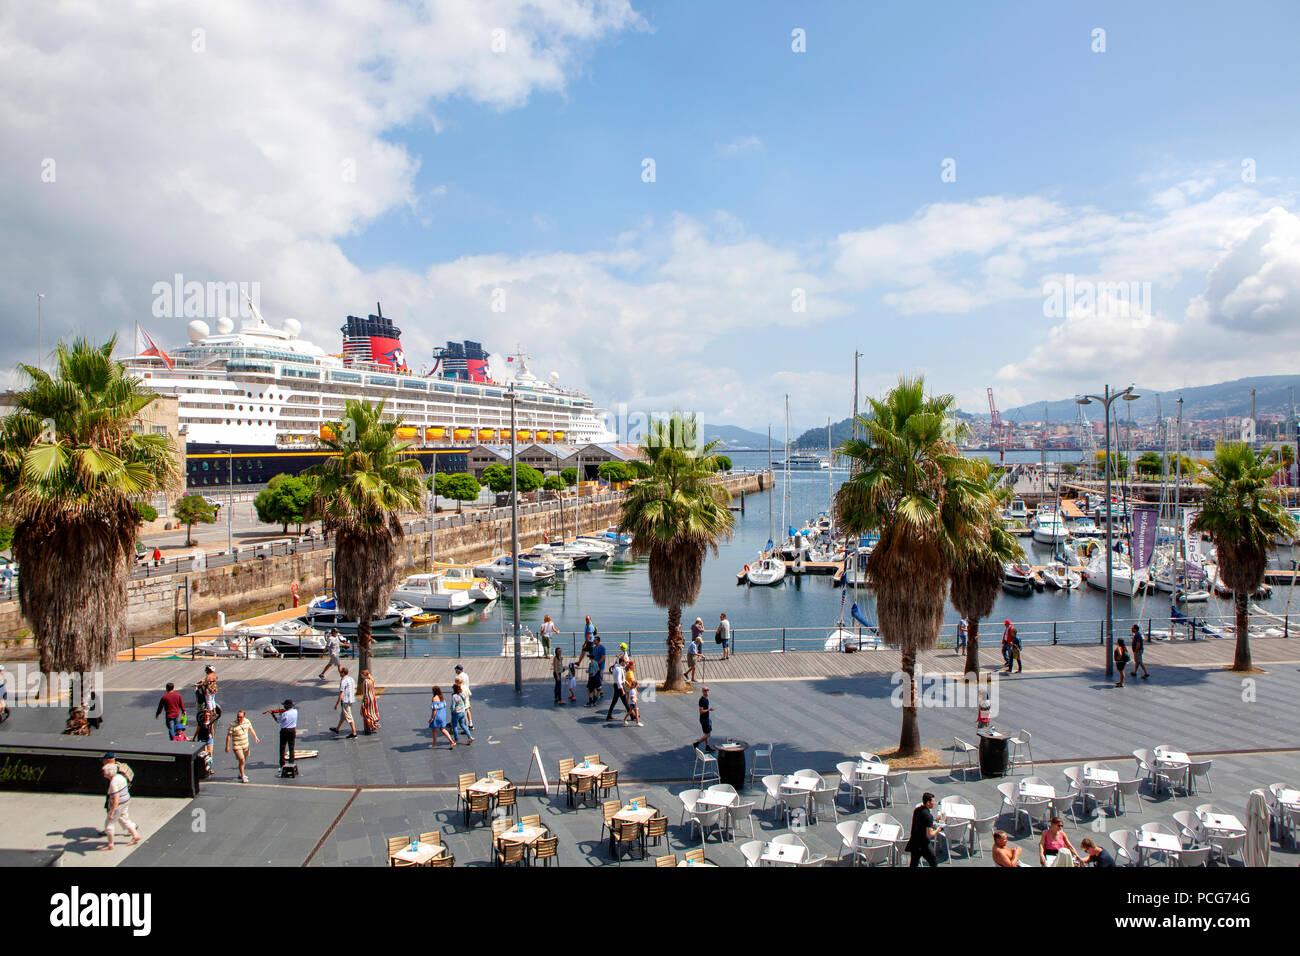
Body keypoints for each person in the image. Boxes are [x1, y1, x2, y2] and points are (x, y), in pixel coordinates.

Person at [99, 760, 140, 850]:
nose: (103, 773)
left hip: (119, 804)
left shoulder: (113, 783)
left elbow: (116, 798)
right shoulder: (120, 777)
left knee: (109, 824)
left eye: (104, 772)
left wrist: (112, 811)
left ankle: (110, 844)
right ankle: (135, 835)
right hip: (126, 801)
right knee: (124, 819)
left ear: (108, 773)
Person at [906, 792, 941, 866]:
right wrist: (938, 829)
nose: (934, 803)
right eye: (933, 801)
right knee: (933, 862)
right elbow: (929, 835)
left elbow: (922, 822)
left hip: (915, 842)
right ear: (928, 803)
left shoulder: (917, 810)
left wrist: (933, 820)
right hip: (924, 844)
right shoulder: (928, 816)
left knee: (914, 863)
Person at [225, 709, 259, 782]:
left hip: (245, 745)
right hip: (237, 746)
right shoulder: (232, 724)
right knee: (242, 760)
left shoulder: (247, 721)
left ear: (244, 717)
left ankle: (241, 772)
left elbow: (251, 729)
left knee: (243, 760)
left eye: (240, 717)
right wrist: (227, 746)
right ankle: (243, 776)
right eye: (238, 717)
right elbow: (228, 736)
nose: (239, 718)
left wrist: (255, 737)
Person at [331, 665, 357, 738]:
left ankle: (354, 733)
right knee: (343, 716)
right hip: (351, 699)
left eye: (340, 672)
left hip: (345, 701)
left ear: (343, 673)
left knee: (348, 716)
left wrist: (337, 703)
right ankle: (337, 729)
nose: (339, 673)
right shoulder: (351, 679)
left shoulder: (343, 680)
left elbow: (341, 693)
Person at [272, 699, 298, 767]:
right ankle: (291, 762)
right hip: (292, 730)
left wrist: (273, 715)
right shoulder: (295, 711)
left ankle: (282, 763)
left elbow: (278, 721)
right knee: (291, 747)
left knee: (282, 747)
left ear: (287, 706)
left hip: (285, 731)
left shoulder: (285, 713)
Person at [605, 654, 629, 722]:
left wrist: (627, 683)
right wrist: (622, 690)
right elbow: (619, 681)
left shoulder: (618, 667)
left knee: (615, 701)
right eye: (625, 662)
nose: (626, 663)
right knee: (624, 702)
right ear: (622, 662)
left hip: (617, 686)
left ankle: (609, 715)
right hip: (619, 687)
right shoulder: (618, 669)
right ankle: (632, 715)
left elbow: (622, 679)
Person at [693, 685, 714, 752]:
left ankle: (707, 747)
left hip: (706, 718)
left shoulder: (706, 699)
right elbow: (701, 711)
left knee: (706, 734)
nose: (707, 691)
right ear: (702, 691)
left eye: (708, 690)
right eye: (705, 690)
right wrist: (708, 710)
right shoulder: (702, 700)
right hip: (704, 719)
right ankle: (697, 743)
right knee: (708, 734)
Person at [359, 668, 381, 734]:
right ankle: (375, 722)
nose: (361, 676)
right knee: (372, 711)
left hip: (368, 698)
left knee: (366, 713)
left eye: (361, 675)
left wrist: (364, 701)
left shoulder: (366, 681)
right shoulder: (371, 680)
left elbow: (365, 692)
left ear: (363, 675)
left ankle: (369, 727)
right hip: (372, 697)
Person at [453, 664, 473, 729]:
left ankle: (465, 726)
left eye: (456, 670)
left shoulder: (459, 676)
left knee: (462, 710)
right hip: (466, 692)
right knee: (467, 709)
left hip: (461, 693)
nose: (455, 671)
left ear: (458, 670)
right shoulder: (466, 675)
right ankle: (470, 723)